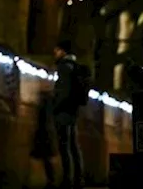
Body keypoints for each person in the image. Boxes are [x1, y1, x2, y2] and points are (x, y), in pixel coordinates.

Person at [52, 39, 89, 189]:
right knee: (74, 146)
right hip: (73, 111)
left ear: (63, 51)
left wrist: (56, 106)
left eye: (56, 50)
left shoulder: (64, 67)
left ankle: (68, 179)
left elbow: (63, 91)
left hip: (64, 112)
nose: (54, 54)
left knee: (65, 146)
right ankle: (78, 178)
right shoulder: (75, 67)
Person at [32, 89, 58, 186]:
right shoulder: (50, 106)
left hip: (44, 134)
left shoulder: (45, 106)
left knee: (45, 159)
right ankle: (50, 179)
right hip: (46, 134)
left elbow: (43, 121)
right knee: (47, 159)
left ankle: (49, 180)